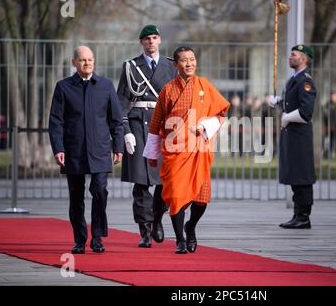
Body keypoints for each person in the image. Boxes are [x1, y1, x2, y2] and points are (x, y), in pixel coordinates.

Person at [143, 46, 230, 254]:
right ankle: (180, 240)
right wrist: (152, 154)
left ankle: (190, 226)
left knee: (201, 200)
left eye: (192, 59)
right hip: (174, 150)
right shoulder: (168, 89)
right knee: (176, 195)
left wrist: (205, 126)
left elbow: (221, 113)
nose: (189, 63)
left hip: (199, 149)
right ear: (176, 65)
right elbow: (156, 122)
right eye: (184, 60)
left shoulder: (205, 86)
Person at [49, 46, 124, 254]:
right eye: (82, 60)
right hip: (73, 151)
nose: (87, 63)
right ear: (74, 62)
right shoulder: (63, 87)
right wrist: (58, 149)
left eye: (90, 59)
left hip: (100, 150)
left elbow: (116, 121)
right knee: (76, 196)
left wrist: (118, 147)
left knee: (100, 191)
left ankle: (97, 237)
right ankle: (80, 240)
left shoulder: (106, 86)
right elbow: (56, 121)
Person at [117, 25, 177, 248]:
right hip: (138, 125)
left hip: (163, 127)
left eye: (154, 38)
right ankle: (145, 229)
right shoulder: (131, 66)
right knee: (141, 182)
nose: (151, 42)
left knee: (164, 180)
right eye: (146, 39)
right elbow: (121, 103)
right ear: (141, 42)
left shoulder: (171, 65)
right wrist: (126, 132)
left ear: (160, 40)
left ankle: (157, 220)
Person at [269, 44, 317, 229]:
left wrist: (287, 117)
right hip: (292, 134)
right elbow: (292, 103)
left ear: (304, 58)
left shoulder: (305, 81)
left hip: (300, 135)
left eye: (294, 54)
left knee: (302, 177)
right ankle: (298, 214)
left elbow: (306, 111)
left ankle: (304, 216)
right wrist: (280, 102)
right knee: (295, 176)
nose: (290, 57)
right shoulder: (293, 80)